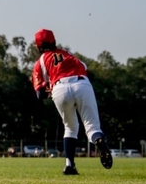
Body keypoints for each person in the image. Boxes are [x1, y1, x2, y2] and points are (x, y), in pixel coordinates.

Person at [31, 28, 112, 175]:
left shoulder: (40, 62)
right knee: (93, 127)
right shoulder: (66, 54)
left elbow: (39, 94)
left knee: (70, 127)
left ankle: (69, 165)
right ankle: (99, 141)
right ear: (54, 41)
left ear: (38, 46)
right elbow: (84, 68)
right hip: (82, 84)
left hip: (59, 87)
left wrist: (49, 90)